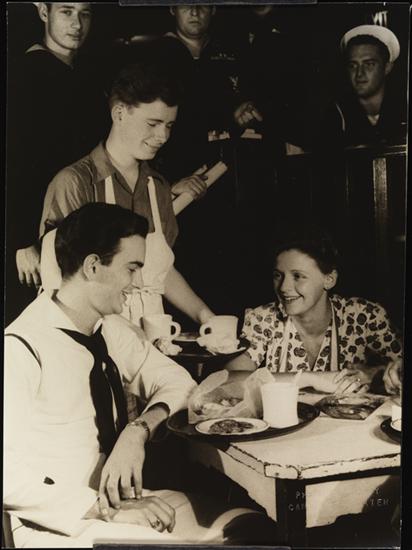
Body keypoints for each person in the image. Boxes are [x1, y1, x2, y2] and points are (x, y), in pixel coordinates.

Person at [4, 203, 271, 548]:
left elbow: (179, 383)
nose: (138, 283)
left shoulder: (110, 329)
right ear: (93, 266)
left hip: (119, 502)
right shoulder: (21, 346)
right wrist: (100, 509)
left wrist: (137, 431)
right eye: (132, 268)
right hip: (60, 523)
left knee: (250, 528)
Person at [28, 62, 215, 330]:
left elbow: (161, 272)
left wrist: (206, 317)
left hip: (152, 334)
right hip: (94, 334)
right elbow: (60, 282)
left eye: (169, 125)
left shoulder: (158, 187)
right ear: (119, 113)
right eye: (153, 123)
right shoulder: (74, 182)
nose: (163, 136)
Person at [6, 2, 109, 323]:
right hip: (32, 230)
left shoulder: (84, 73)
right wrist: (20, 242)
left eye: (85, 13)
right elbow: (13, 162)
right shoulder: (25, 73)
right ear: (43, 12)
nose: (77, 23)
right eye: (66, 11)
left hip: (72, 219)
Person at [225, 232, 403, 394]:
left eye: (298, 276)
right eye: (278, 275)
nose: (284, 287)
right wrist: (308, 378)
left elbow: (402, 366)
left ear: (329, 280)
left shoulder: (364, 316)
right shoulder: (263, 319)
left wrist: (374, 372)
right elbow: (226, 381)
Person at [319, 24, 407, 148]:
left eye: (369, 64)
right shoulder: (336, 113)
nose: (359, 73)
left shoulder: (403, 107)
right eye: (353, 65)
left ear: (387, 67)